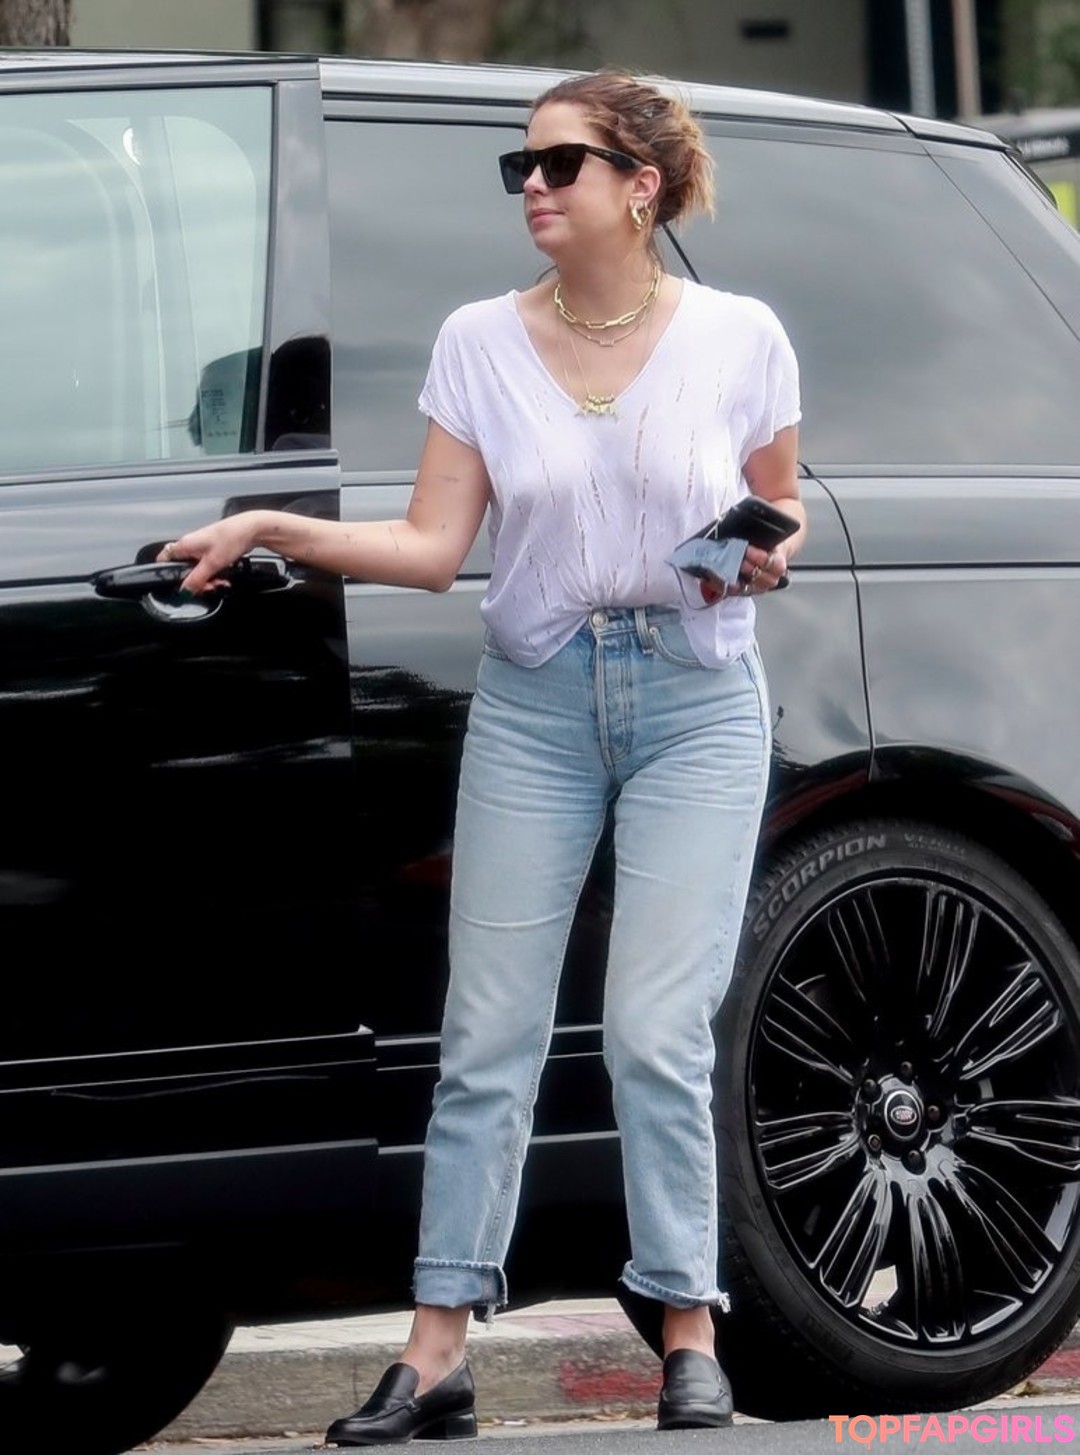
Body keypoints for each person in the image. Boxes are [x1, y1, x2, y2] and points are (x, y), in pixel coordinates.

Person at [162, 68, 804, 1443]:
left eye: (560, 164)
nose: (532, 186)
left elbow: (782, 504)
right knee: (486, 1038)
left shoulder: (741, 335)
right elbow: (431, 547)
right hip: (537, 703)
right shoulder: (478, 341)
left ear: (640, 186)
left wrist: (764, 554)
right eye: (522, 166)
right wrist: (271, 526)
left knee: (654, 1031)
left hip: (697, 699)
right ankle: (439, 1347)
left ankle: (689, 1333)